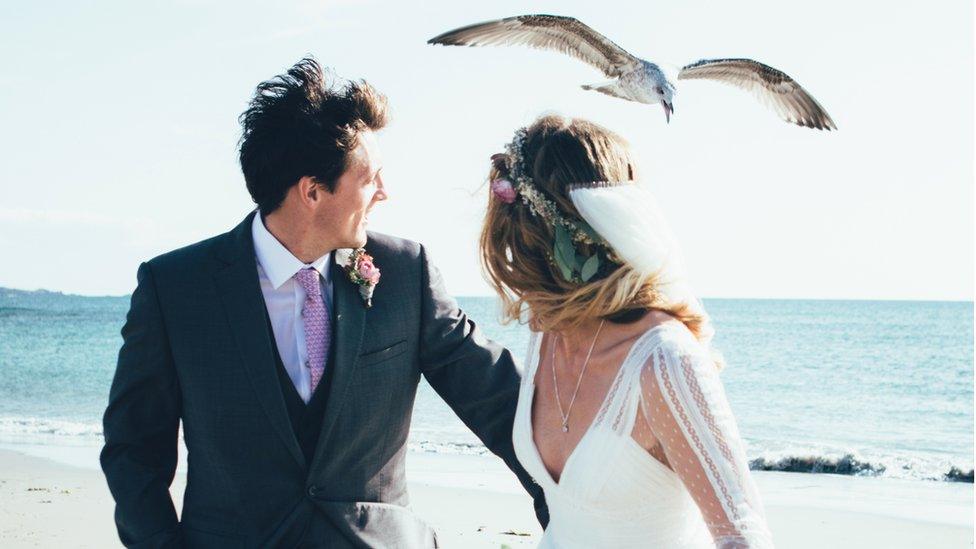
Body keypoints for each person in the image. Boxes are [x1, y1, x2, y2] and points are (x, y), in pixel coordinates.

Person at [100, 57, 547, 548]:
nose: (385, 192)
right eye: (370, 178)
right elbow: (134, 450)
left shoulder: (405, 272)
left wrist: (571, 510)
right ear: (312, 191)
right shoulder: (176, 287)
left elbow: (501, 401)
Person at [479, 114, 774, 548]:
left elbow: (742, 535)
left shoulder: (664, 362)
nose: (515, 273)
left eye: (519, 248)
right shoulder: (549, 335)